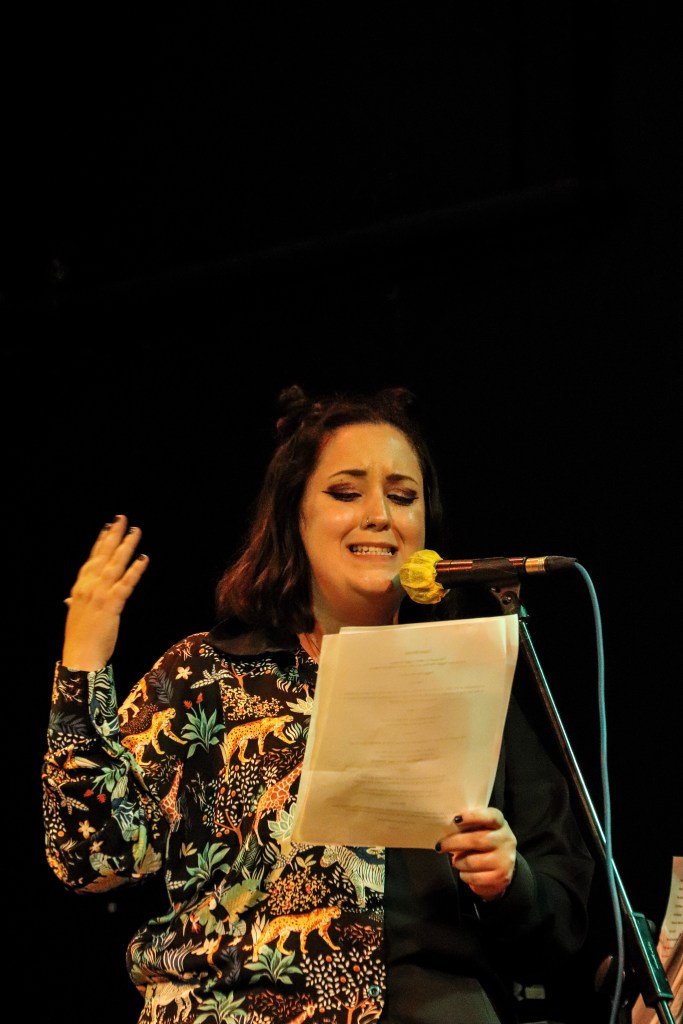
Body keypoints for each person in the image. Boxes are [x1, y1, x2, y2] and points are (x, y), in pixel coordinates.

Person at [42, 383, 596, 1024]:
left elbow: (565, 912)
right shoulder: (205, 675)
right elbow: (90, 858)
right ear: (295, 517)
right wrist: (84, 660)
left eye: (403, 496)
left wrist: (510, 882)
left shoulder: (468, 677)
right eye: (345, 493)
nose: (380, 515)